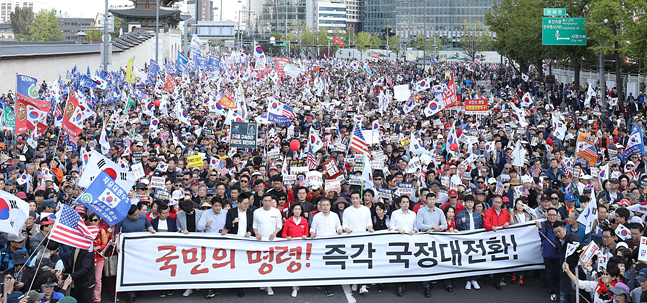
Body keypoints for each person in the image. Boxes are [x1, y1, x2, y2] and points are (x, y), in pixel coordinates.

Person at [416, 192, 447, 297]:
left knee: (439, 260)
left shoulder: (439, 211)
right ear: (426, 200)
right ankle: (426, 286)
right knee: (426, 262)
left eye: (433, 199)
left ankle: (441, 282)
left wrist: (434, 228)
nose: (432, 201)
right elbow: (419, 225)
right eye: (430, 199)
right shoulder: (421, 211)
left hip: (437, 239)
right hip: (425, 239)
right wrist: (432, 226)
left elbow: (444, 224)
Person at [342, 191, 374, 294]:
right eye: (353, 198)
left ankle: (363, 285)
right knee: (352, 263)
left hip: (363, 240)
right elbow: (344, 224)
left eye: (357, 198)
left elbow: (369, 223)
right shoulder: (347, 211)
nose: (355, 200)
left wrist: (370, 228)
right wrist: (346, 229)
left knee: (363, 263)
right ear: (350, 200)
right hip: (351, 240)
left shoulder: (366, 210)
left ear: (360, 199)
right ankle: (354, 282)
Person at [310, 198, 342, 297]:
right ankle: (321, 282)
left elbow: (339, 227)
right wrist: (312, 233)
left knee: (330, 265)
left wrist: (340, 230)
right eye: (323, 205)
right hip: (320, 244)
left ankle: (328, 288)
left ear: (330, 206)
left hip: (332, 244)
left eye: (327, 205)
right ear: (320, 206)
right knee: (321, 265)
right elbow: (312, 228)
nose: (325, 207)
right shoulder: (317, 217)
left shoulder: (335, 216)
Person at [252, 193, 283, 296]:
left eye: (269, 201)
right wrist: (256, 233)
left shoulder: (276, 211)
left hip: (272, 241)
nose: (267, 203)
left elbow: (279, 225)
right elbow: (254, 225)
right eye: (265, 201)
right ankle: (262, 281)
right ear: (262, 201)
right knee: (261, 262)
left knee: (270, 263)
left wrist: (274, 233)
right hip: (260, 241)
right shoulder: (257, 212)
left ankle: (269, 285)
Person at [388, 195, 417, 296]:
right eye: (403, 202)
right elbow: (391, 225)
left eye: (407, 202)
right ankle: (399, 286)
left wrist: (414, 230)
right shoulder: (395, 213)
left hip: (410, 240)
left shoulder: (413, 214)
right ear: (400, 204)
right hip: (398, 240)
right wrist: (398, 229)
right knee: (399, 263)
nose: (406, 204)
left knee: (407, 262)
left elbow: (416, 226)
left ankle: (404, 284)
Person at [282, 202, 309, 297]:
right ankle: (294, 287)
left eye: (299, 209)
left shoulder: (304, 221)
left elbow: (307, 233)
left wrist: (306, 236)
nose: (297, 211)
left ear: (301, 211)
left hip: (302, 248)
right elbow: (283, 234)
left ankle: (298, 284)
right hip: (291, 248)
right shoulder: (288, 221)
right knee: (294, 266)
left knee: (301, 266)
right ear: (292, 211)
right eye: (295, 209)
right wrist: (287, 237)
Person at [483, 195, 510, 290]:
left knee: (501, 260)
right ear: (492, 202)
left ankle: (497, 280)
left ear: (502, 203)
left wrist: (508, 223)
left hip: (502, 239)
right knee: (490, 259)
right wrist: (491, 227)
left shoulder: (506, 213)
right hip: (491, 239)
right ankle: (486, 278)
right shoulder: (488, 212)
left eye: (499, 202)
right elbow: (486, 224)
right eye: (495, 202)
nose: (497, 204)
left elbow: (508, 222)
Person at [536, 207, 560, 301]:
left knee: (558, 273)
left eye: (554, 215)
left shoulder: (560, 225)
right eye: (550, 215)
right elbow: (542, 237)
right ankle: (552, 291)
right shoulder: (543, 225)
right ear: (547, 216)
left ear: (557, 216)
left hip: (558, 254)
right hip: (547, 254)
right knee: (549, 274)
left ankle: (558, 288)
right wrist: (540, 228)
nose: (552, 216)